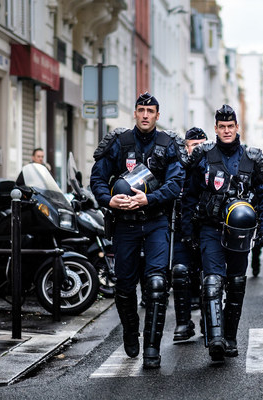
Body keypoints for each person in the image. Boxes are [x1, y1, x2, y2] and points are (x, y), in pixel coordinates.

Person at [90, 92, 186, 369]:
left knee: (157, 284)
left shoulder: (169, 144)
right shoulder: (120, 143)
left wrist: (149, 198)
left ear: (158, 114)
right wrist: (108, 199)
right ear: (135, 113)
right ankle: (131, 333)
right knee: (124, 286)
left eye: (151, 111)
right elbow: (97, 178)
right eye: (141, 110)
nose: (145, 115)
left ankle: (153, 349)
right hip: (125, 224)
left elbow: (175, 184)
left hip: (156, 221)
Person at [182, 105, 263, 362]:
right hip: (210, 228)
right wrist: (188, 231)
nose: (226, 131)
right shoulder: (202, 156)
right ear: (215, 129)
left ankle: (231, 338)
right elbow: (189, 195)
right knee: (212, 281)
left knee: (235, 285)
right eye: (221, 127)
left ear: (237, 128)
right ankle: (215, 339)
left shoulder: (253, 158)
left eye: (230, 127)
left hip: (240, 234)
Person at [171, 127, 207, 342]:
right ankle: (184, 323)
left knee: (209, 277)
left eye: (202, 144)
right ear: (186, 147)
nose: (198, 148)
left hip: (207, 230)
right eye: (194, 145)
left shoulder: (212, 166)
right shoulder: (177, 167)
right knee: (180, 272)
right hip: (181, 230)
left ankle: (208, 319)